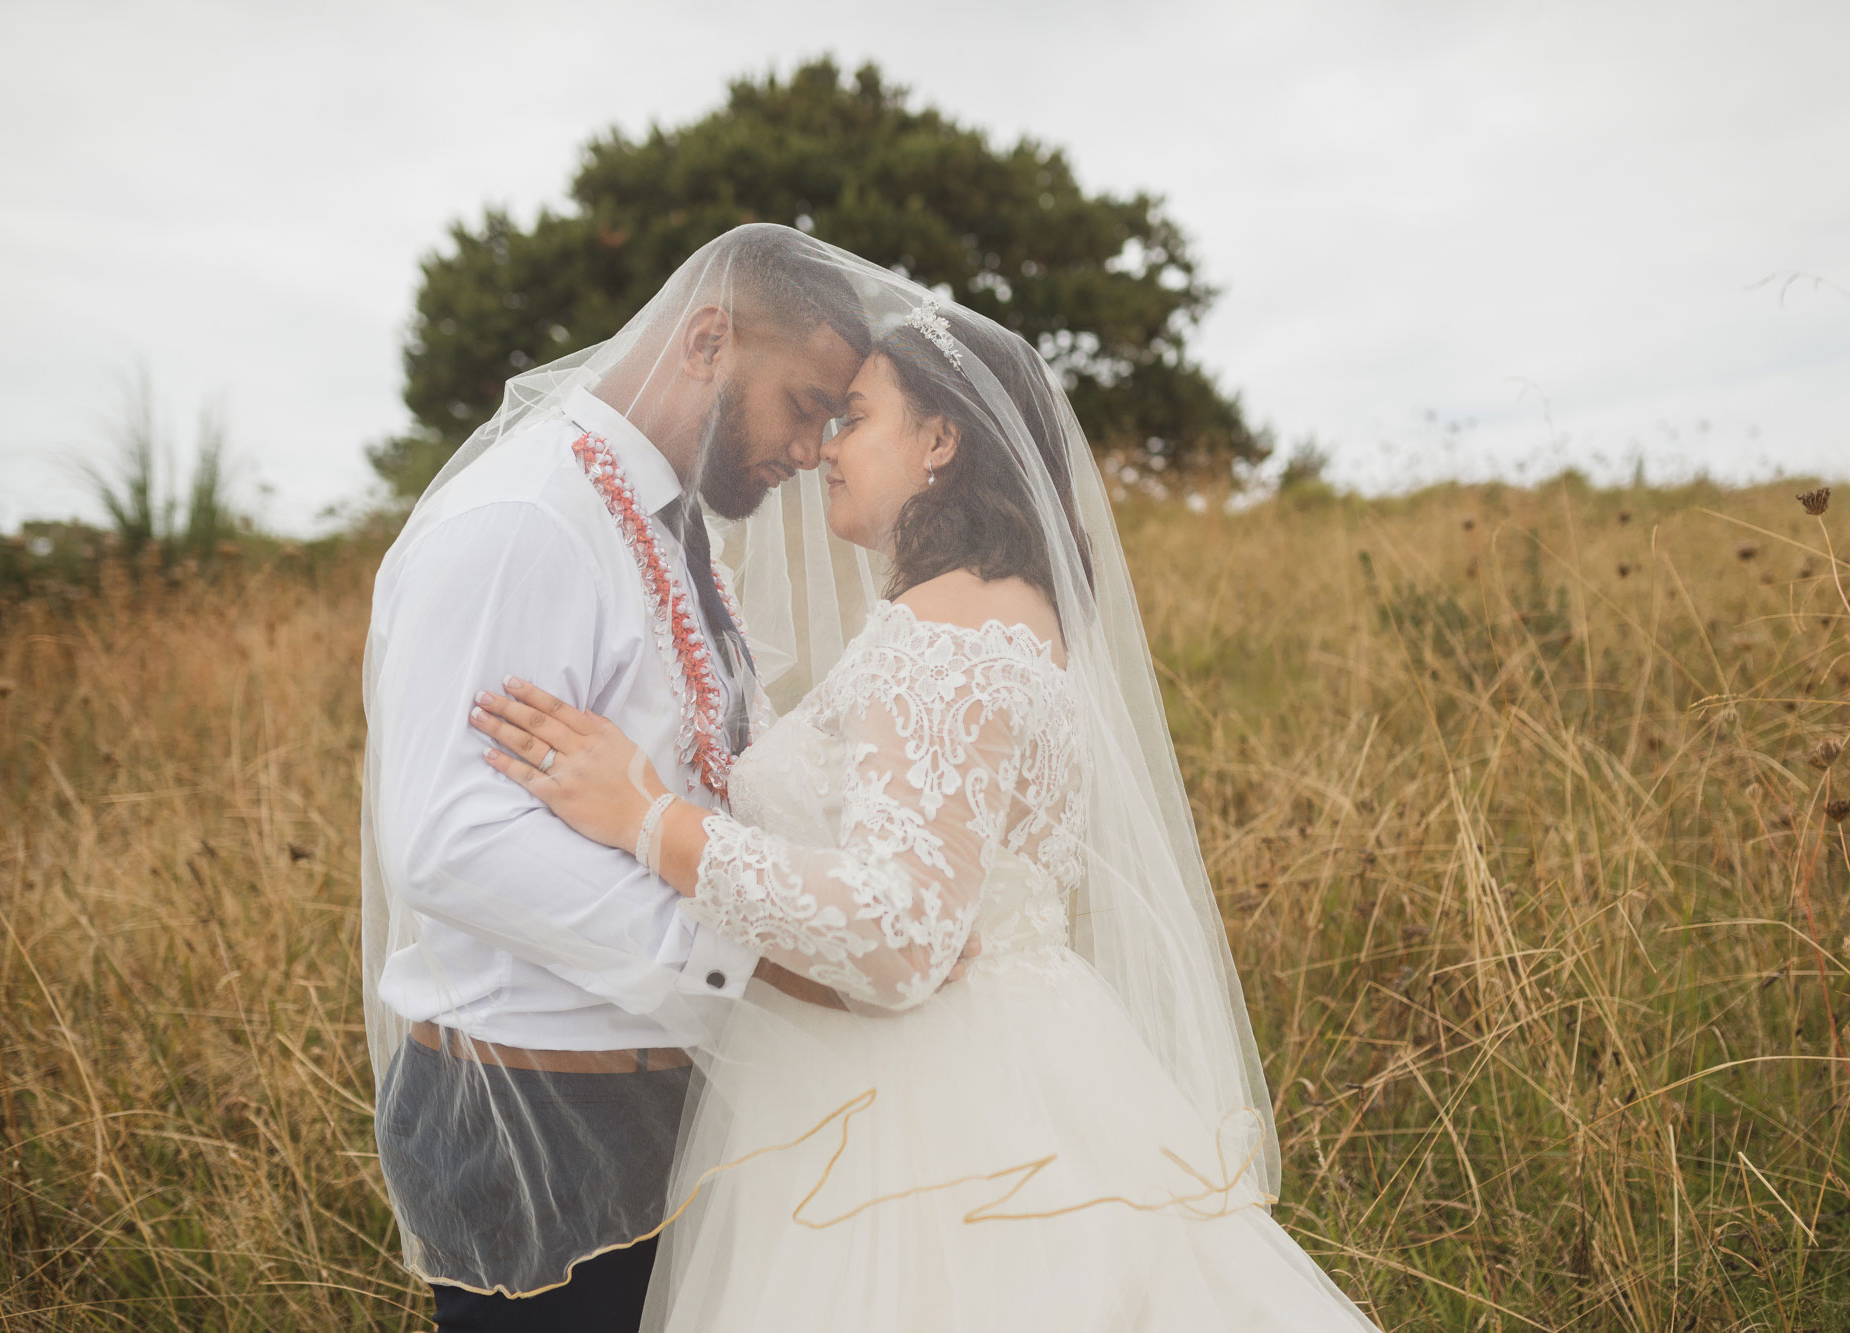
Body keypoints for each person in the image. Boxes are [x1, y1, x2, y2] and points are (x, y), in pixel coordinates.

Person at [471, 259, 1384, 1329]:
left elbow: (903, 932)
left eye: (853, 417)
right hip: (1030, 1070)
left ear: (939, 442)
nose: (819, 451)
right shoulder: (1012, 612)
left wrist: (646, 820)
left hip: (919, 1118)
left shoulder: (937, 637)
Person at [360, 225, 870, 1331]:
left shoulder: (661, 526)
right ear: (707, 339)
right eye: (803, 402)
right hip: (534, 1112)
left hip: (662, 1093)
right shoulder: (527, 518)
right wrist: (740, 951)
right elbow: (448, 837)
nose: (812, 446)